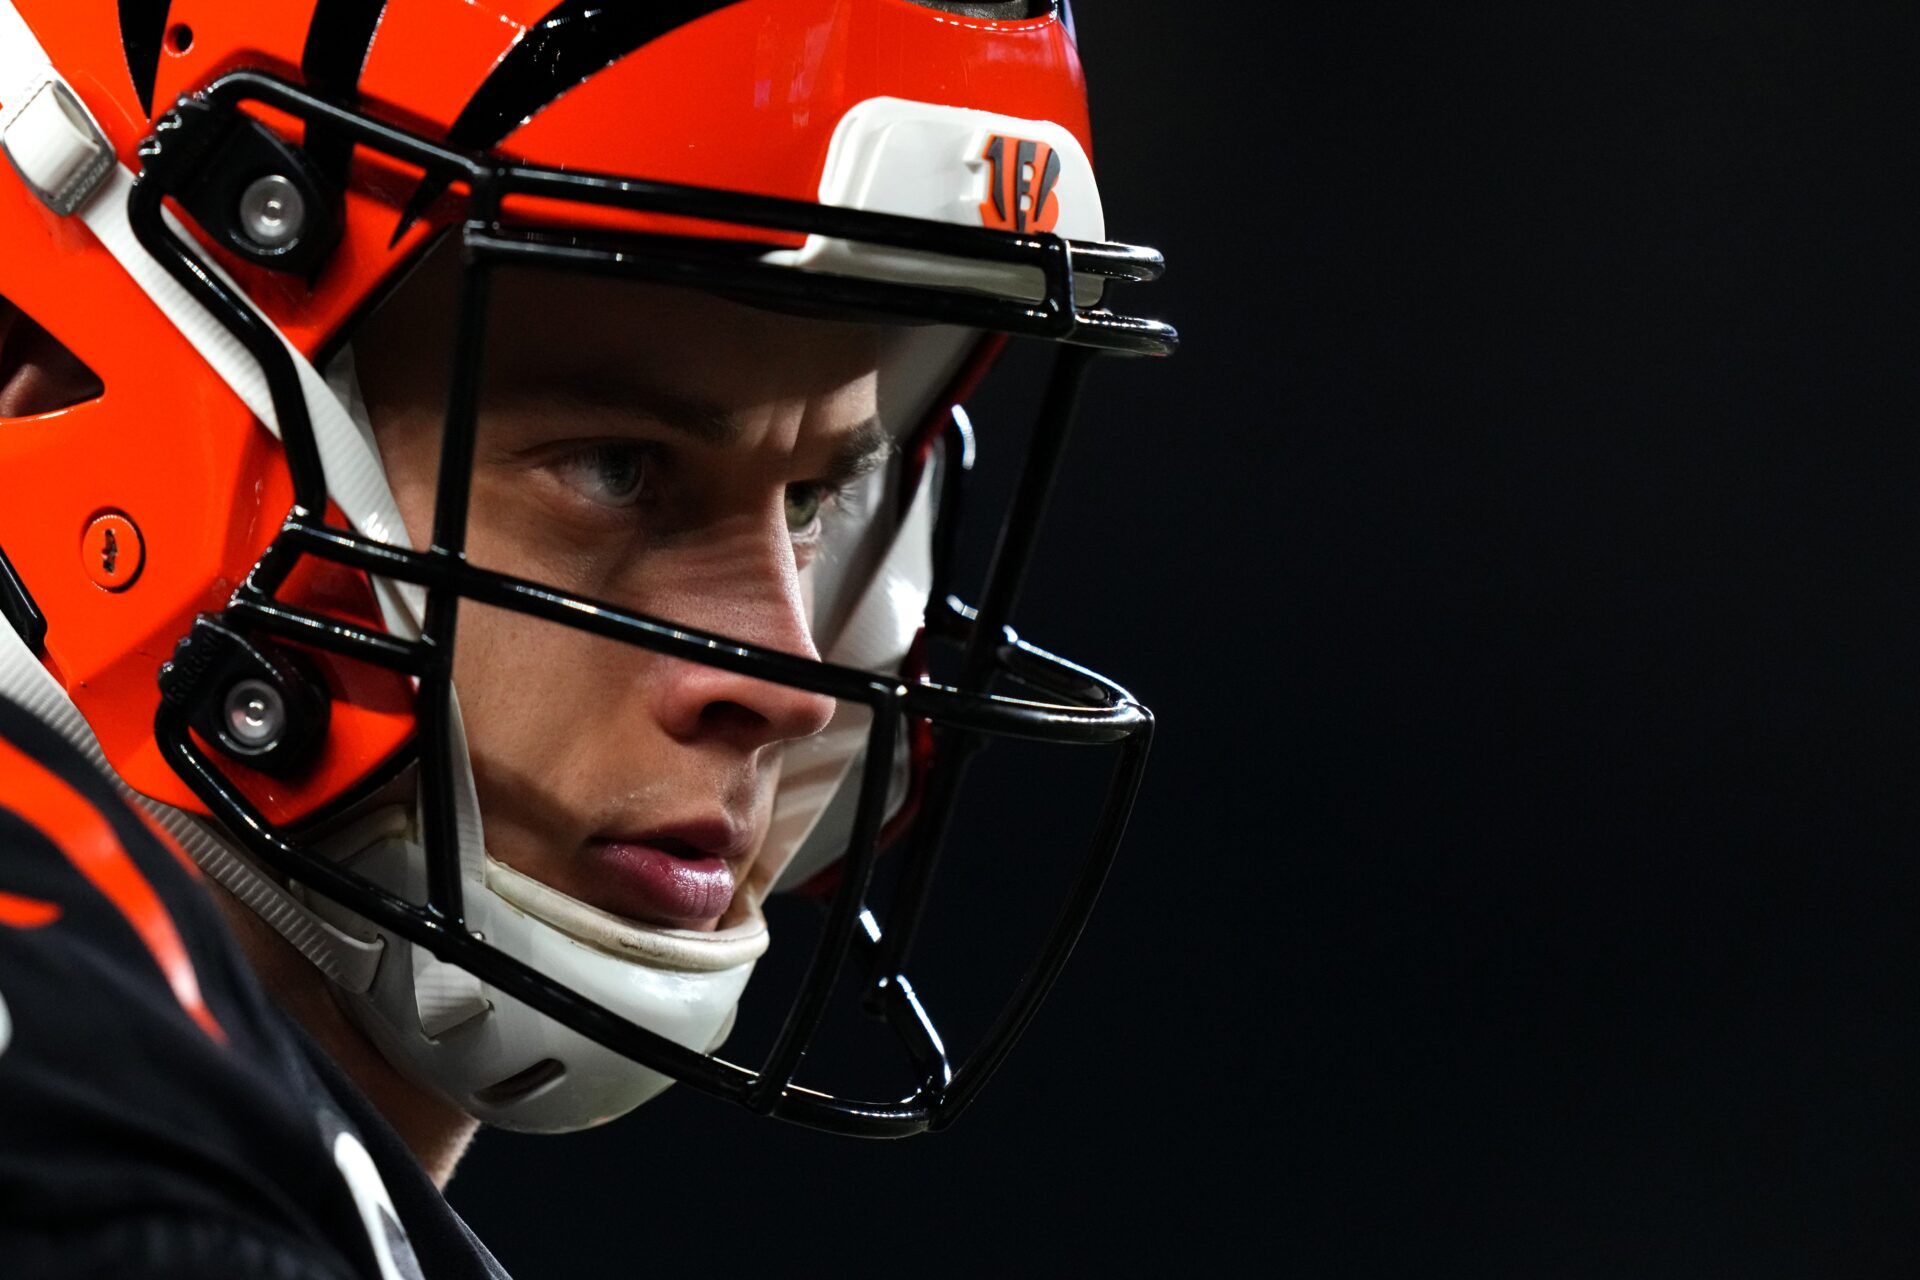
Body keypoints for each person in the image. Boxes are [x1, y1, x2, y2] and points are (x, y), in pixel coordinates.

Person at [0, 1, 1173, 1274]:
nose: (786, 683)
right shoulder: (92, 1158)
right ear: (66, 399)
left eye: (816, 501)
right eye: (617, 469)